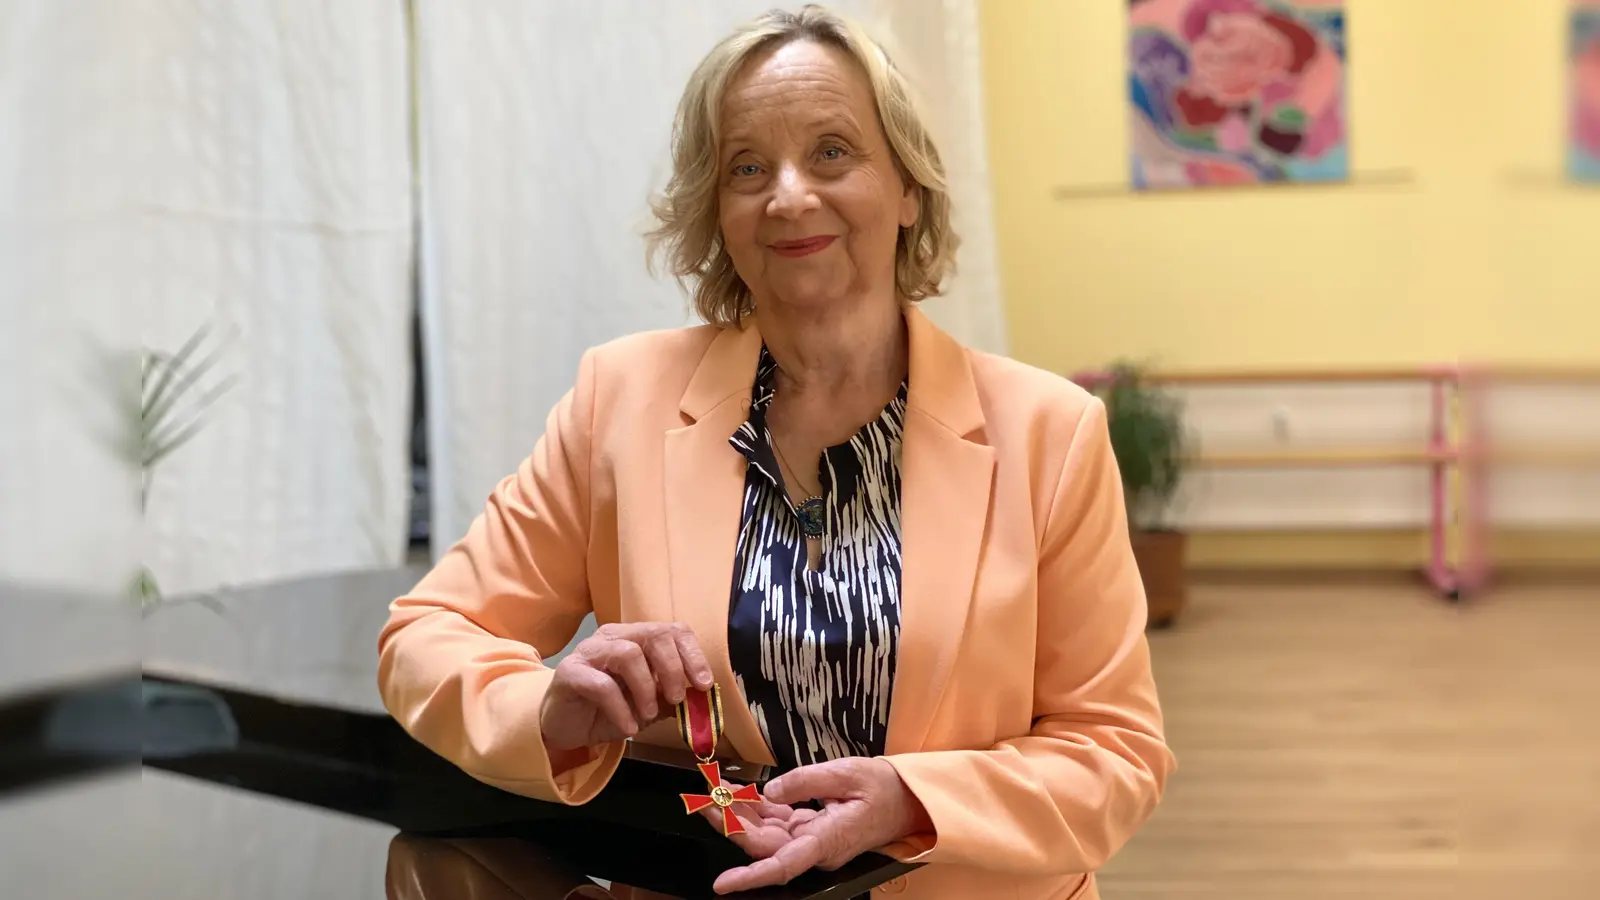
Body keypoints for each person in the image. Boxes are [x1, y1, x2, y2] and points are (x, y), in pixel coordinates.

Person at [377, 6, 1174, 899]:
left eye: (832, 152)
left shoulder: (1050, 434)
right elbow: (425, 638)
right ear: (718, 211)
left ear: (909, 189)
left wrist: (911, 800)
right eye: (747, 167)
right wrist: (548, 711)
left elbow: (1114, 754)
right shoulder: (619, 401)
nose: (789, 196)